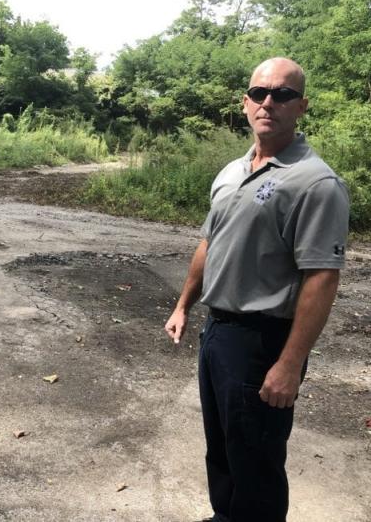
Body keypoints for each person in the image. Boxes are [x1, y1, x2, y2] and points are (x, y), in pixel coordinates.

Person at [164, 57, 349, 522]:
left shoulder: (316, 183)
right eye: (260, 93)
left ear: (301, 106)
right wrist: (183, 304)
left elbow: (321, 276)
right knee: (224, 448)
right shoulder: (232, 170)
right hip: (218, 333)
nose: (269, 102)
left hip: (264, 342)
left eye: (283, 94)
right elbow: (210, 241)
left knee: (258, 463)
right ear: (245, 103)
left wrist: (288, 365)